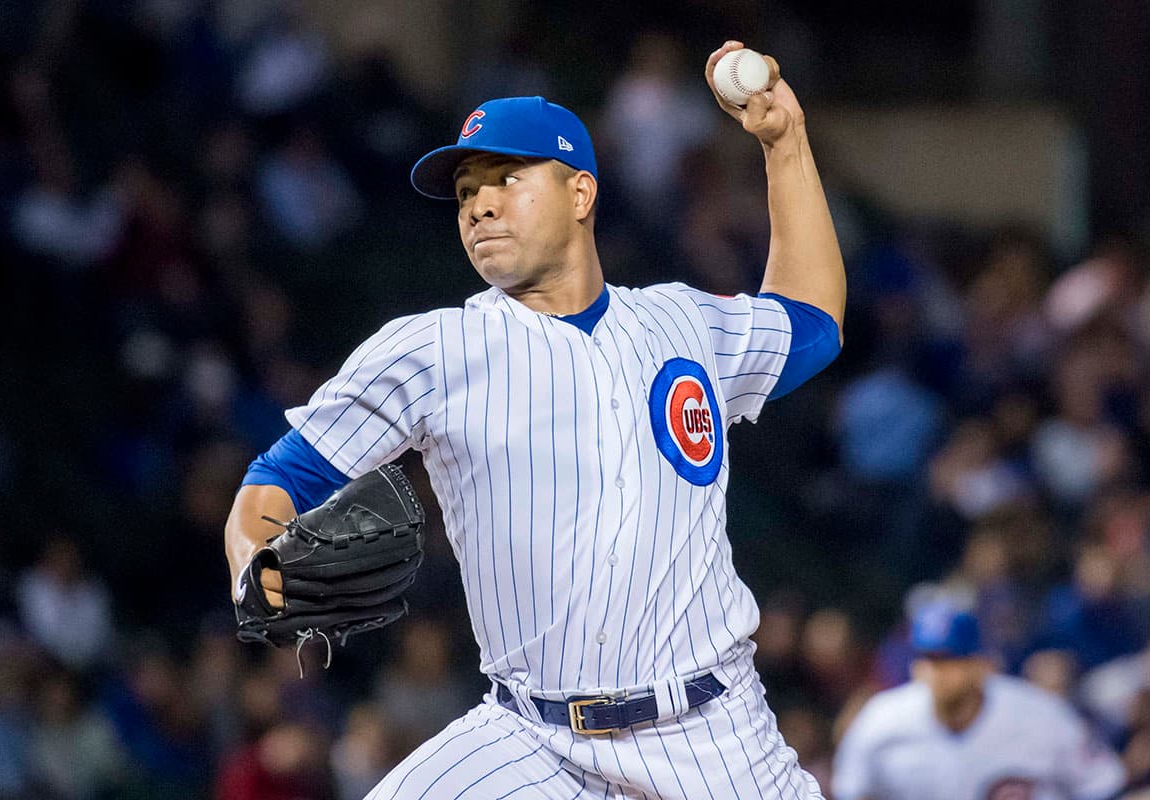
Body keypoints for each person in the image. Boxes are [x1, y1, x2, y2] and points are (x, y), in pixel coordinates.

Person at [225, 39, 845, 799]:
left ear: (581, 193)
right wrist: (254, 562)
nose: (479, 204)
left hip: (714, 735)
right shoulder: (433, 349)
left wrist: (785, 144)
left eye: (506, 178)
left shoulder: (682, 324)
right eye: (464, 193)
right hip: (531, 740)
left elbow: (811, 320)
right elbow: (279, 478)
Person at [831, 602, 1128, 800]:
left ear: (981, 664)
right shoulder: (881, 720)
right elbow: (850, 790)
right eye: (928, 659)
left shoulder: (1041, 716)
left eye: (950, 660)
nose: (936, 672)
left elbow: (1104, 785)